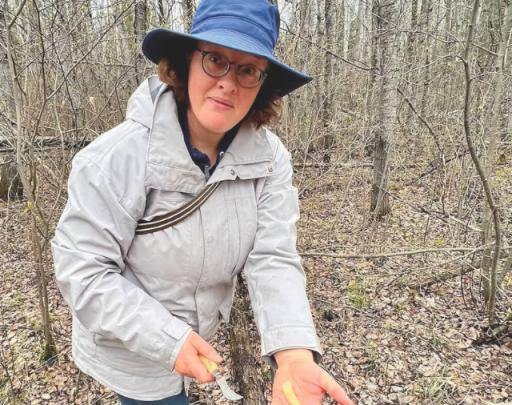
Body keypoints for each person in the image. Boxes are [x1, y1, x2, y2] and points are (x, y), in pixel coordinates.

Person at [51, 1, 354, 404]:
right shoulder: (115, 160)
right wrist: (168, 339)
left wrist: (294, 352)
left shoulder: (268, 160)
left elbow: (272, 257)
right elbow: (84, 272)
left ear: (262, 83)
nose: (229, 82)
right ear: (186, 62)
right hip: (132, 352)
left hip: (198, 345)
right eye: (215, 60)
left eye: (247, 69)